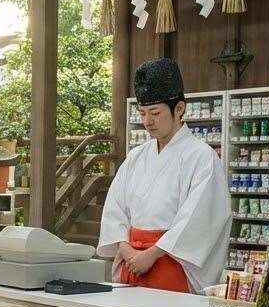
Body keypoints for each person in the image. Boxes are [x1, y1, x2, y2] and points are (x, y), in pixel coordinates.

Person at [98, 58, 231, 293]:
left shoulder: (202, 157)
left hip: (170, 262)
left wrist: (152, 254)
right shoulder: (136, 157)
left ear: (179, 109)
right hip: (132, 261)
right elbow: (115, 208)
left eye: (155, 113)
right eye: (142, 113)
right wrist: (126, 249)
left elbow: (199, 220)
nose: (147, 122)